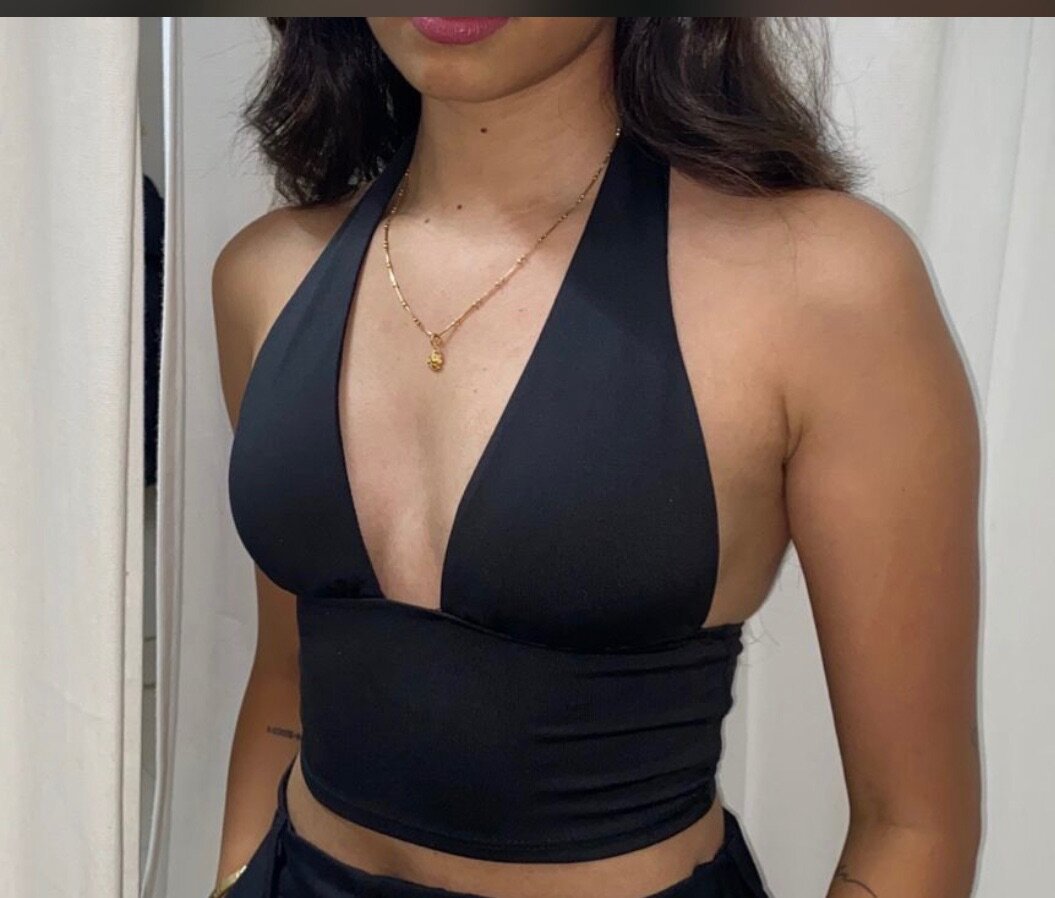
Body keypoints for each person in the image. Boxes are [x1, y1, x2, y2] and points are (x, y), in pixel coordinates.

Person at [210, 17, 982, 898]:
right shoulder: (267, 276)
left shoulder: (820, 285)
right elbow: (286, 674)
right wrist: (233, 874)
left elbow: (912, 825)